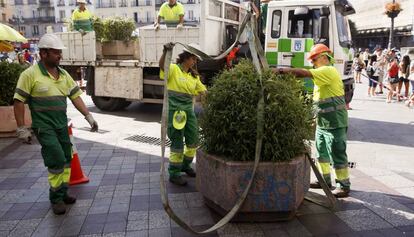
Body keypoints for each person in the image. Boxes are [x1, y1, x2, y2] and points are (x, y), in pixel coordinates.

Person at [13, 33, 98, 215]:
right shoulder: (30, 74)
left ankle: (63, 190)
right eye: (56, 52)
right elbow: (19, 101)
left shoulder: (64, 74)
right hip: (44, 127)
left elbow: (75, 97)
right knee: (57, 159)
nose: (60, 55)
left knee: (67, 159)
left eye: (60, 52)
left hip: (61, 125)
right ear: (44, 54)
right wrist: (22, 128)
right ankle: (56, 198)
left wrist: (88, 116)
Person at [272, 44, 350, 198]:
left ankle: (343, 185)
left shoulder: (328, 70)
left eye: (314, 59)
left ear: (323, 57)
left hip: (335, 122)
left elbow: (302, 72)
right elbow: (319, 100)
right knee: (322, 153)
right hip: (323, 122)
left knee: (337, 153)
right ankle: (324, 180)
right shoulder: (322, 75)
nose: (313, 63)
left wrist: (280, 71)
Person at [159, 42, 207, 186]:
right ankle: (174, 173)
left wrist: (210, 97)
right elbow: (162, 66)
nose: (194, 62)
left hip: (189, 112)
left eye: (195, 60)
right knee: (178, 143)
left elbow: (203, 90)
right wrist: (165, 52)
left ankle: (186, 166)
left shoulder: (194, 76)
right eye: (193, 58)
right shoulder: (173, 69)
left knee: (193, 141)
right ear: (185, 58)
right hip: (175, 113)